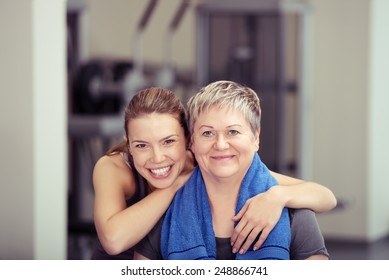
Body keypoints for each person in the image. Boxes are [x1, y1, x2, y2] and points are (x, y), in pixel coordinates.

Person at [92, 86, 336, 260]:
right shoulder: (114, 167)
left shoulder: (208, 160)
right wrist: (177, 186)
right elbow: (113, 241)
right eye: (141, 145)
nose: (157, 157)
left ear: (188, 141)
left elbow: (323, 196)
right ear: (128, 143)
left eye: (168, 142)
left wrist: (277, 196)